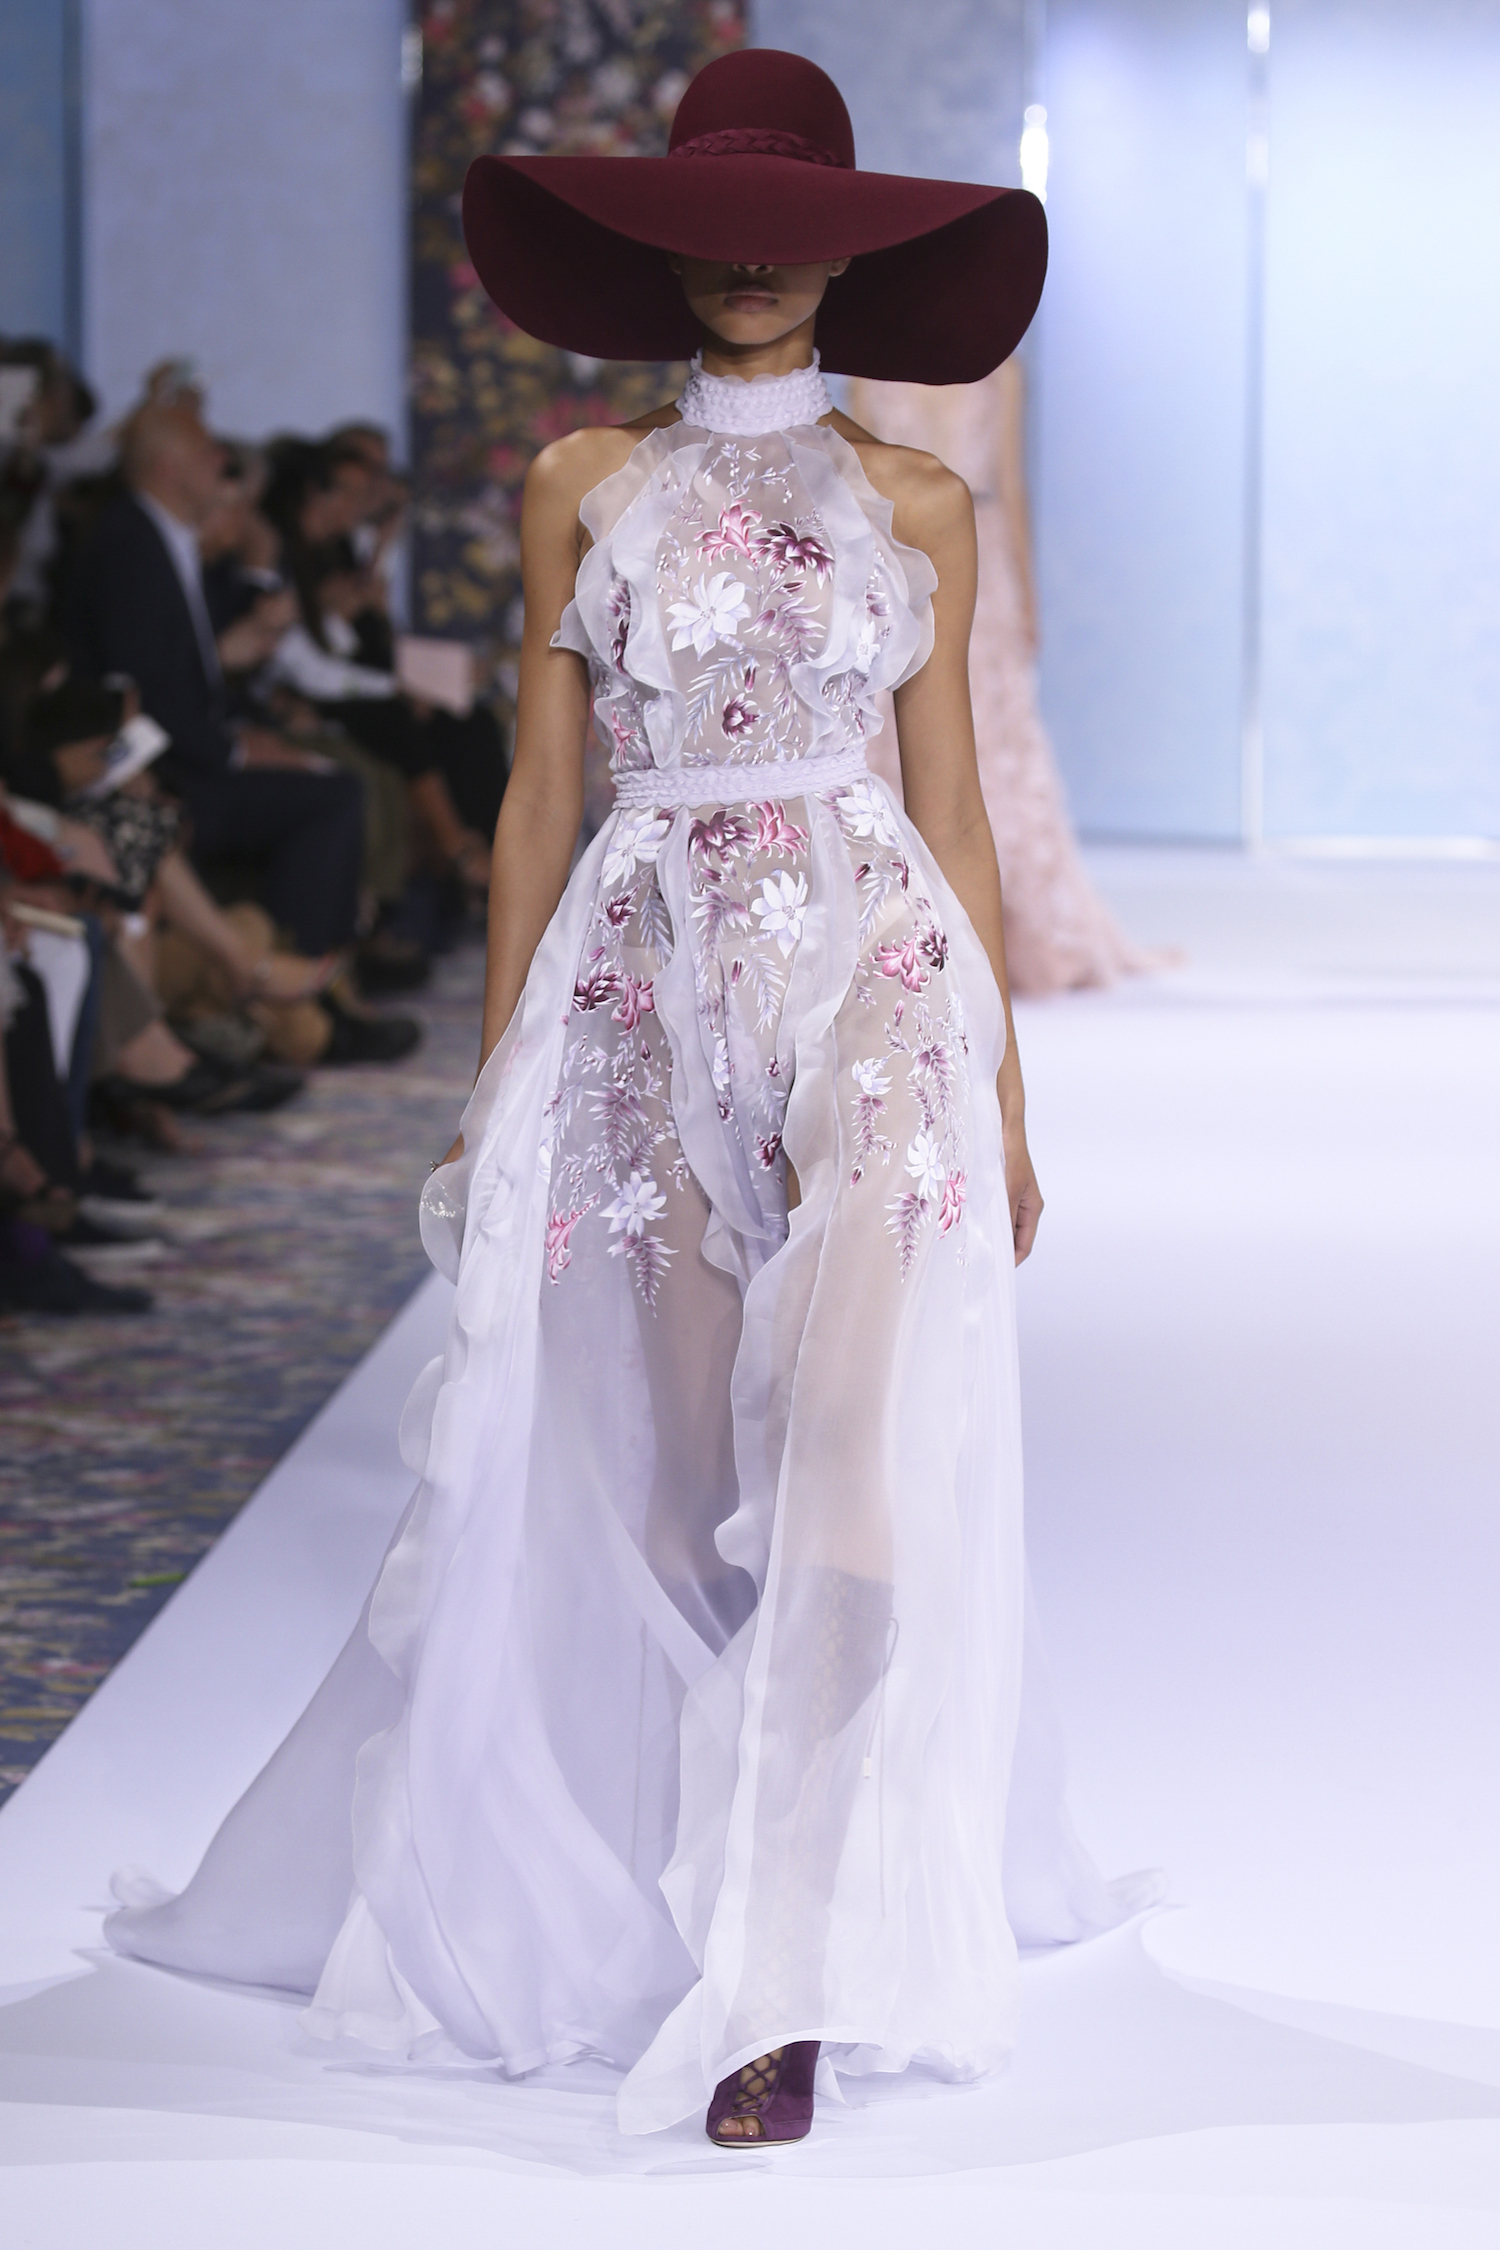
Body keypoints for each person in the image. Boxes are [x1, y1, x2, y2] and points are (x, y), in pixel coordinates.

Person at [106, 51, 1157, 2148]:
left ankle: (786, 1969)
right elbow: (529, 804)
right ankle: (673, 1883)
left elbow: (948, 815)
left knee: (849, 1460)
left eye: (798, 227)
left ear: (848, 257)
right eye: (721, 223)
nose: (757, 260)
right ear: (663, 244)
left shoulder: (914, 501)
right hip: (637, 987)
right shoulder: (583, 482)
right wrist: (501, 1075)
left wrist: (1009, 1098)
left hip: (870, 983)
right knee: (669, 1497)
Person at [850, 364, 1156, 993]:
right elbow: (997, 488)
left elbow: (1008, 485)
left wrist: (1024, 592)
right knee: (956, 737)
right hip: (922, 557)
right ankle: (914, 926)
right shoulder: (945, 374)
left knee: (979, 732)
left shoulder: (980, 375)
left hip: (938, 557)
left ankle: (970, 929)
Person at [64, 399, 366, 959]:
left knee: (332, 781)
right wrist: (234, 753)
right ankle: (297, 980)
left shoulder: (158, 538)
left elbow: (178, 674)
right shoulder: (129, 547)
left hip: (185, 751)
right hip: (158, 772)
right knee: (332, 797)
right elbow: (146, 692)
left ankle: (315, 975)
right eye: (208, 453)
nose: (221, 461)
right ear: (167, 470)